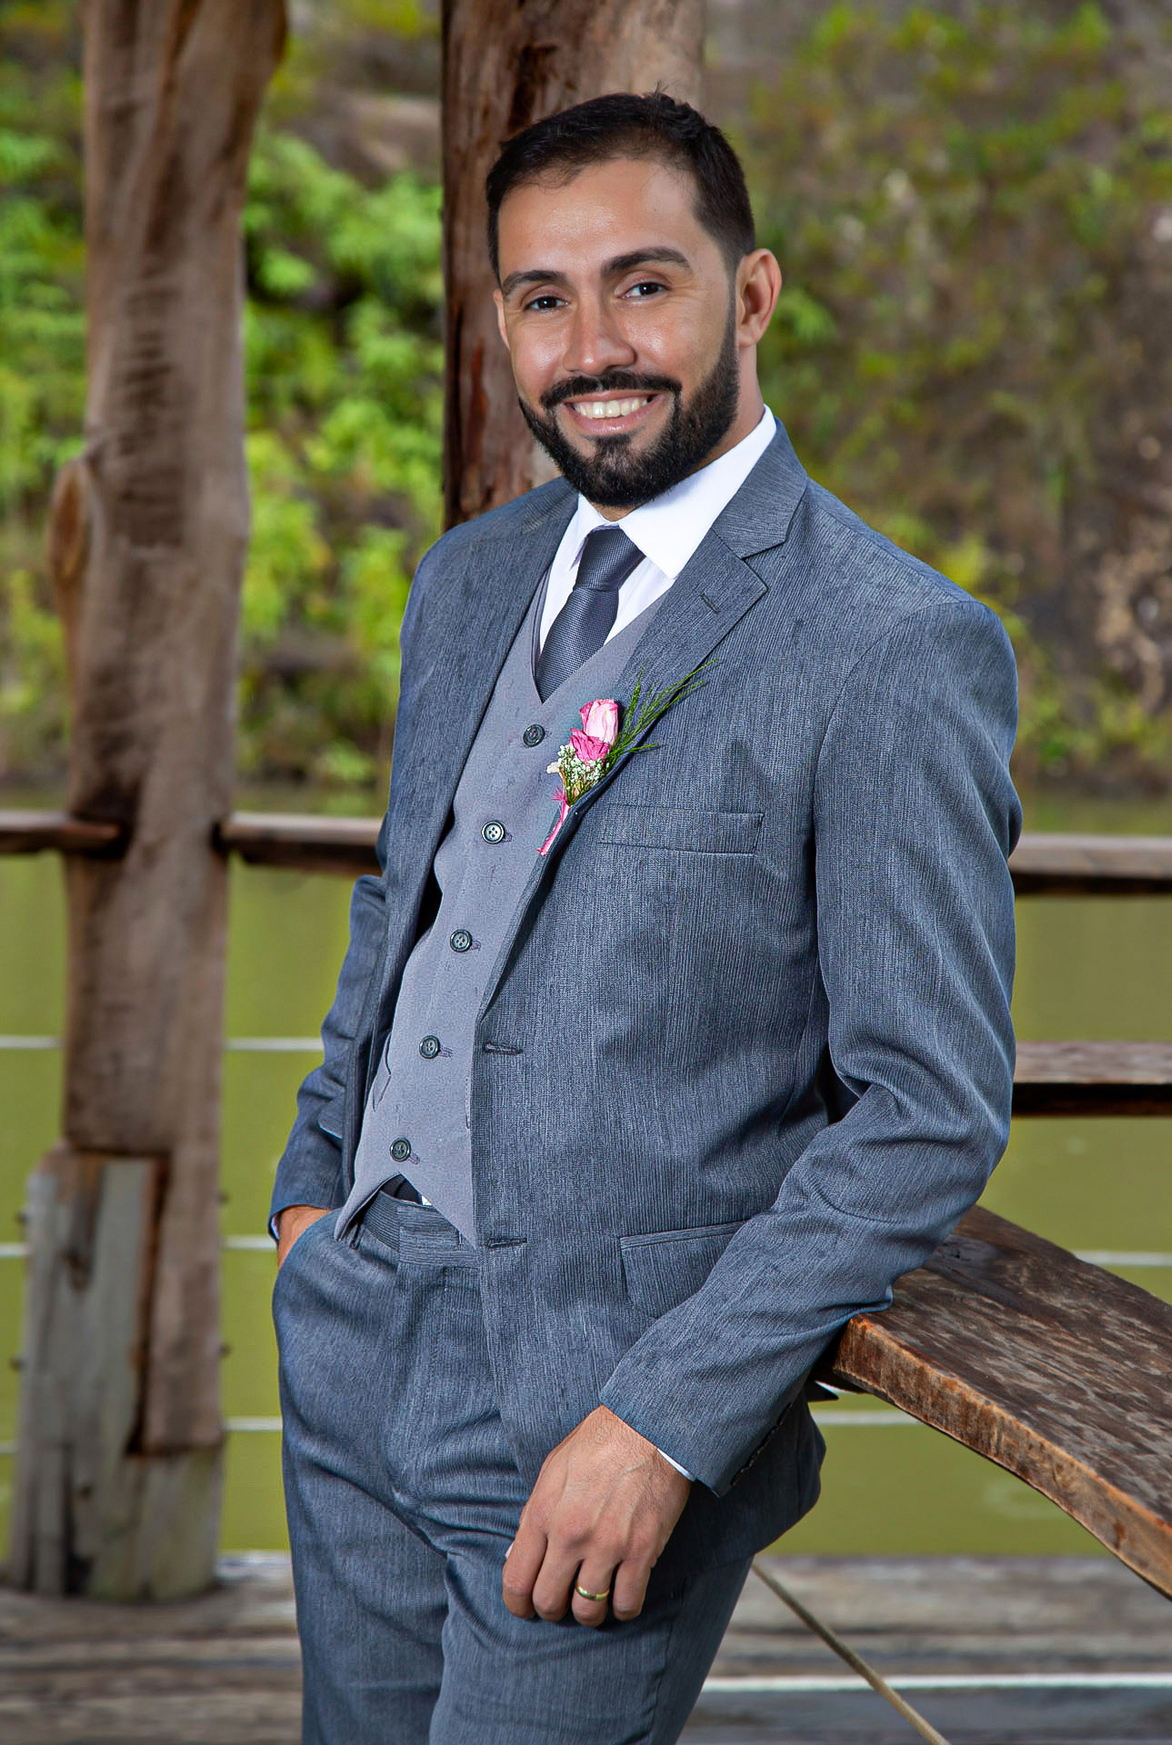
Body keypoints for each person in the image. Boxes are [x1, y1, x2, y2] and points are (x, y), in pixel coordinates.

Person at [269, 91, 1021, 1745]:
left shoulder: (894, 648)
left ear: (751, 295)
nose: (593, 346)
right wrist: (309, 1200)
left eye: (644, 284)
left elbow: (926, 1107)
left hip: (596, 1413)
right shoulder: (466, 582)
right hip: (351, 1339)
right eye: (543, 297)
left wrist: (665, 1423)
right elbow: (406, 903)